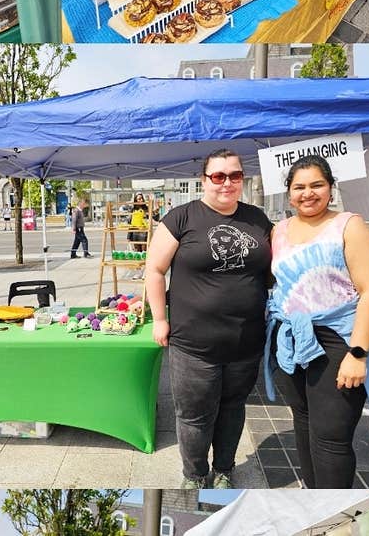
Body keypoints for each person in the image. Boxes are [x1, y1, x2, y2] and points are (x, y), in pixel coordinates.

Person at [262, 155, 369, 489]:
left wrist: (358, 353)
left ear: (331, 188)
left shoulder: (350, 225)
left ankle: (331, 507)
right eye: (299, 187)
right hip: (292, 338)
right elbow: (273, 282)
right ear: (289, 193)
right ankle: (313, 496)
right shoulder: (279, 231)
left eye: (316, 185)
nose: (308, 194)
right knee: (305, 423)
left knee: (331, 437)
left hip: (339, 341)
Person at [144, 149, 274, 488]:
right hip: (193, 343)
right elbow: (155, 271)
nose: (227, 183)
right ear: (204, 180)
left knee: (233, 409)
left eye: (234, 175)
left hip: (245, 342)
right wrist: (160, 319)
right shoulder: (181, 218)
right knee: (194, 416)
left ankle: (225, 469)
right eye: (218, 176)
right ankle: (195, 474)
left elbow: (279, 267)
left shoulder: (258, 219)